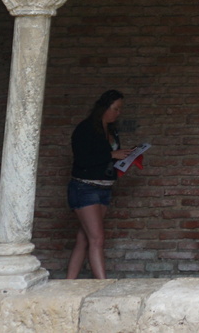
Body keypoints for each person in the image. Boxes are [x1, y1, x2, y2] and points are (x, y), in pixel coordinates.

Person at [65, 89, 132, 279]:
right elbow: (83, 159)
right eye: (115, 108)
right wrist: (112, 155)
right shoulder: (85, 129)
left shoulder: (111, 130)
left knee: (84, 238)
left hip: (104, 189)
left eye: (120, 109)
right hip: (85, 188)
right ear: (104, 107)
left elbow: (106, 159)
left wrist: (126, 157)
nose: (118, 113)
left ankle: (69, 282)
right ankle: (101, 284)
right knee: (97, 238)